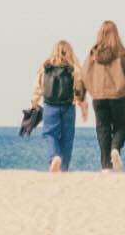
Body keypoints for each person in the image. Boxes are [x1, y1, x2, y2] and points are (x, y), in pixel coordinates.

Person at [81, 20, 125, 171]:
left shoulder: (92, 54)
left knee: (102, 130)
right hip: (117, 96)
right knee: (120, 127)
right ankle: (115, 149)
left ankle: (106, 166)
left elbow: (83, 74)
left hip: (99, 97)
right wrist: (123, 74)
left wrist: (84, 94)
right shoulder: (120, 53)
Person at [29, 40, 87, 172]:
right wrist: (82, 104)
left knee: (50, 133)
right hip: (68, 106)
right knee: (68, 138)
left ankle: (55, 156)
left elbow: (38, 86)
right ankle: (64, 168)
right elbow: (80, 89)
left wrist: (34, 102)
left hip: (50, 106)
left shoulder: (46, 66)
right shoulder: (74, 68)